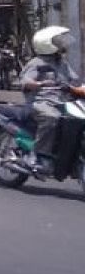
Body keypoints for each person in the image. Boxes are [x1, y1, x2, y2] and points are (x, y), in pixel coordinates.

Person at [20, 25, 85, 169]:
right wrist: (40, 84)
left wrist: (78, 87)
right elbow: (26, 81)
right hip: (41, 102)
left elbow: (74, 80)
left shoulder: (61, 62)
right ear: (47, 44)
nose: (62, 44)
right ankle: (36, 154)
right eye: (58, 42)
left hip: (62, 101)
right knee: (51, 118)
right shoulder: (37, 63)